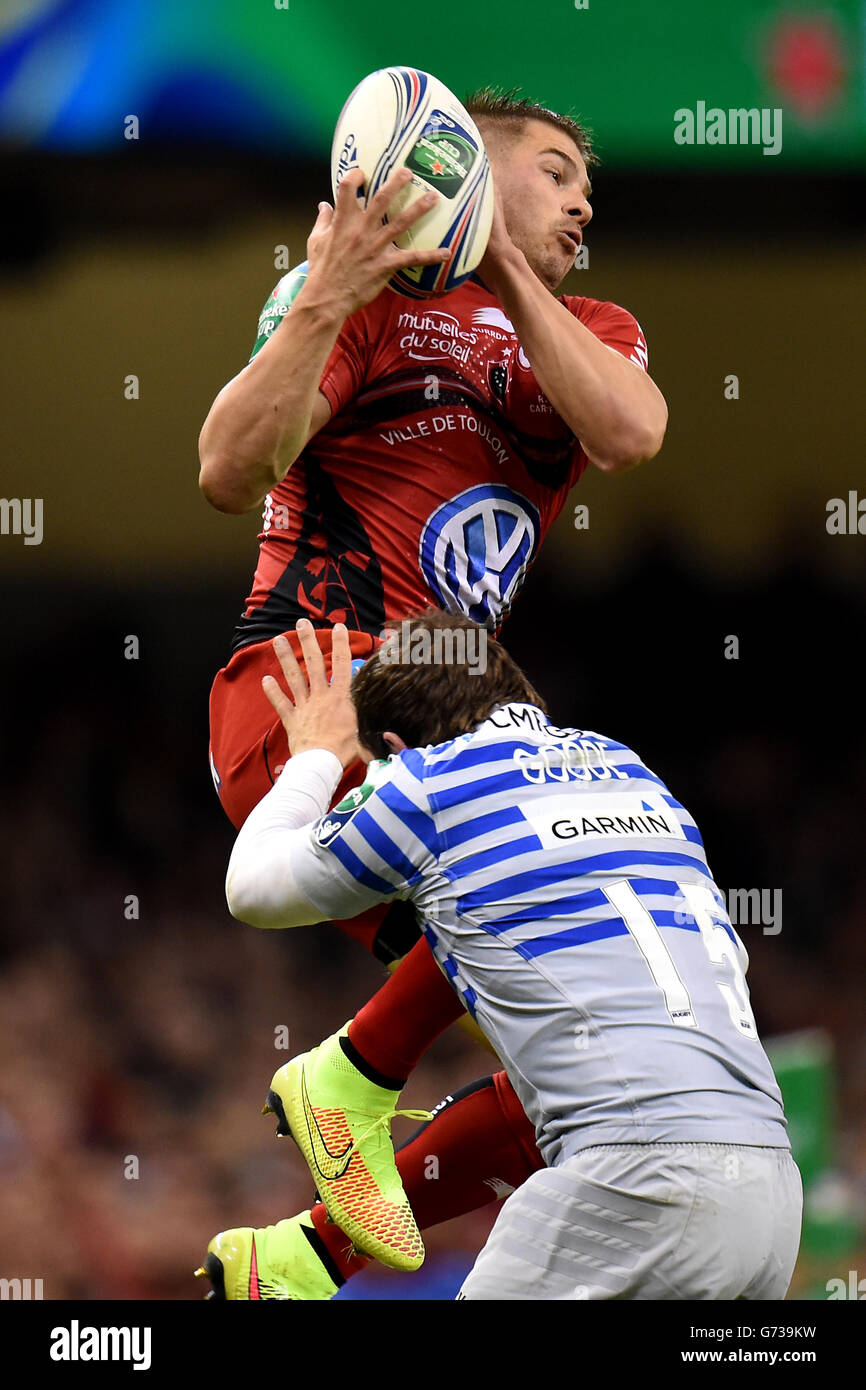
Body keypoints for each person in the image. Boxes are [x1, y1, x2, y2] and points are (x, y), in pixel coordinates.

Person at [199, 89, 668, 1277]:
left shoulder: (593, 325)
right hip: (308, 689)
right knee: (504, 727)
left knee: (613, 1028)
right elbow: (225, 466)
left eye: (585, 186)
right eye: (555, 171)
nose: (583, 199)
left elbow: (627, 432)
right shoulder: (366, 304)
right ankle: (351, 1072)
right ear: (465, 167)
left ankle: (303, 1258)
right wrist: (325, 290)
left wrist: (510, 272)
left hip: (447, 725)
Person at [197, 613, 801, 1301]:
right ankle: (347, 1099)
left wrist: (315, 755)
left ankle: (350, 1080)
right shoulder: (632, 772)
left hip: (633, 1183)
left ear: (396, 746)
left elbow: (250, 889)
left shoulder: (428, 785)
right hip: (772, 1194)